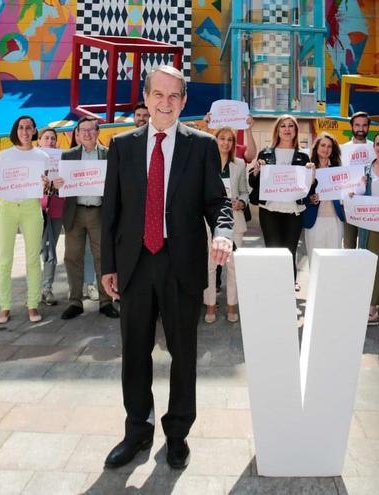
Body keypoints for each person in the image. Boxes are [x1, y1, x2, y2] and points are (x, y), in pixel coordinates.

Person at [101, 65, 234, 470]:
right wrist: (108, 265)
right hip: (136, 265)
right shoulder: (122, 146)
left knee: (184, 352)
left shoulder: (202, 146)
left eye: (173, 96)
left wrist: (223, 232)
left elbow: (218, 202)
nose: (165, 103)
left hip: (183, 266)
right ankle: (137, 431)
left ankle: (177, 434)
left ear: (184, 101)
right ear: (145, 97)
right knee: (134, 352)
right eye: (158, 94)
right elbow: (113, 211)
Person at [0, 115, 47, 324]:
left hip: (31, 208)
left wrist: (47, 183)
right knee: (4, 259)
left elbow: (49, 187)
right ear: (15, 130)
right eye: (21, 127)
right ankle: (5, 305)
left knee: (33, 258)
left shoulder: (42, 156)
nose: (25, 132)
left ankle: (33, 303)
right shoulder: (3, 156)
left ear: (35, 131)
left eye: (29, 128)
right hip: (7, 208)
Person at [53, 117, 119, 320]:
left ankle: (106, 301)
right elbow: (58, 188)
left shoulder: (110, 155)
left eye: (92, 130)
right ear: (77, 134)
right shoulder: (68, 156)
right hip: (75, 213)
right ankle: (75, 301)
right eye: (84, 130)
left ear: (98, 132)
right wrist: (57, 184)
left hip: (100, 213)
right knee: (72, 258)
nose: (88, 133)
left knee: (103, 258)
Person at [248, 115, 310, 288]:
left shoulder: (304, 157)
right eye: (283, 126)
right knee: (273, 249)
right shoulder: (265, 154)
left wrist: (310, 174)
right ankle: (273, 284)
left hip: (293, 211)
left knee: (290, 249)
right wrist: (256, 171)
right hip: (269, 210)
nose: (287, 129)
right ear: (277, 130)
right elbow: (254, 184)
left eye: (291, 126)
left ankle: (289, 284)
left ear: (296, 131)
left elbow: (308, 188)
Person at [204, 126, 248, 324]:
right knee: (210, 267)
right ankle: (211, 306)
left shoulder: (239, 164)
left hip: (234, 221)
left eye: (230, 140)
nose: (226, 143)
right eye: (222, 138)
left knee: (233, 267)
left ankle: (231, 305)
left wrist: (242, 202)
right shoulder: (206, 163)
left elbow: (244, 191)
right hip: (208, 222)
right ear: (216, 140)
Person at [353, 132, 379, 325]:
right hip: (371, 225)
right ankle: (371, 306)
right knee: (374, 264)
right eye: (378, 144)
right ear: (374, 147)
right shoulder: (365, 170)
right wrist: (353, 194)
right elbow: (356, 193)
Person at [302, 133, 345, 262]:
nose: (326, 149)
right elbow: (300, 195)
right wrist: (310, 199)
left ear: (333, 150)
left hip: (335, 220)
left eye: (329, 146)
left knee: (333, 261)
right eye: (323, 145)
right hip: (315, 220)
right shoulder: (307, 168)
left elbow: (346, 191)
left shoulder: (338, 170)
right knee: (315, 260)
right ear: (316, 147)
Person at [339, 111, 375, 248]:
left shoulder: (375, 147)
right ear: (351, 126)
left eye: (364, 125)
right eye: (357, 125)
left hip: (370, 203)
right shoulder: (342, 150)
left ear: (369, 127)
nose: (361, 129)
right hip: (349, 202)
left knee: (368, 244)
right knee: (349, 244)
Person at [37, 128, 62, 305]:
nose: (50, 141)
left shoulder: (62, 160)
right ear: (39, 141)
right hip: (35, 210)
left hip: (56, 209)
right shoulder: (31, 160)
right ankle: (33, 290)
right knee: (36, 250)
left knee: (50, 250)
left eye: (53, 138)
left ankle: (47, 289)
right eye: (46, 138)